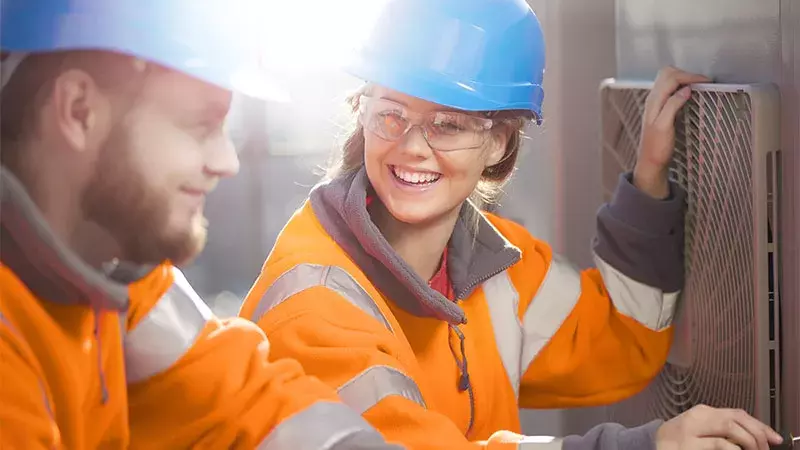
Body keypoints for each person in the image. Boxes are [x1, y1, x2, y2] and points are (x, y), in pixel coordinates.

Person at [239, 0, 785, 448]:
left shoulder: (493, 264)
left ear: (499, 141)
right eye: (391, 114)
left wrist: (647, 183)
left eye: (448, 124)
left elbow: (622, 342)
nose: (411, 148)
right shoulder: (313, 300)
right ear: (363, 111)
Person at [0, 1, 403, 448]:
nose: (226, 161)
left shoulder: (112, 270)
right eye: (199, 126)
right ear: (79, 111)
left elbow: (247, 406)